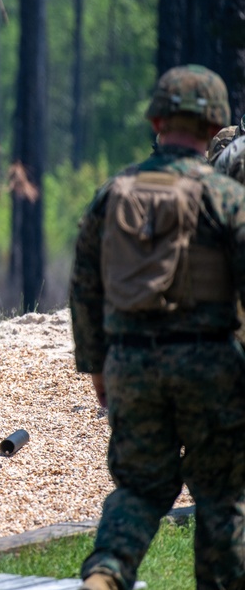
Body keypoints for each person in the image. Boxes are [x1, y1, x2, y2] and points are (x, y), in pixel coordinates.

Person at [69, 64, 245, 590]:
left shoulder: (113, 194)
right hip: (209, 367)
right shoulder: (226, 198)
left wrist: (97, 366)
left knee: (140, 488)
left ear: (157, 119)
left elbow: (84, 288)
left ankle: (104, 573)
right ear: (215, 122)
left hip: (130, 365)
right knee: (221, 496)